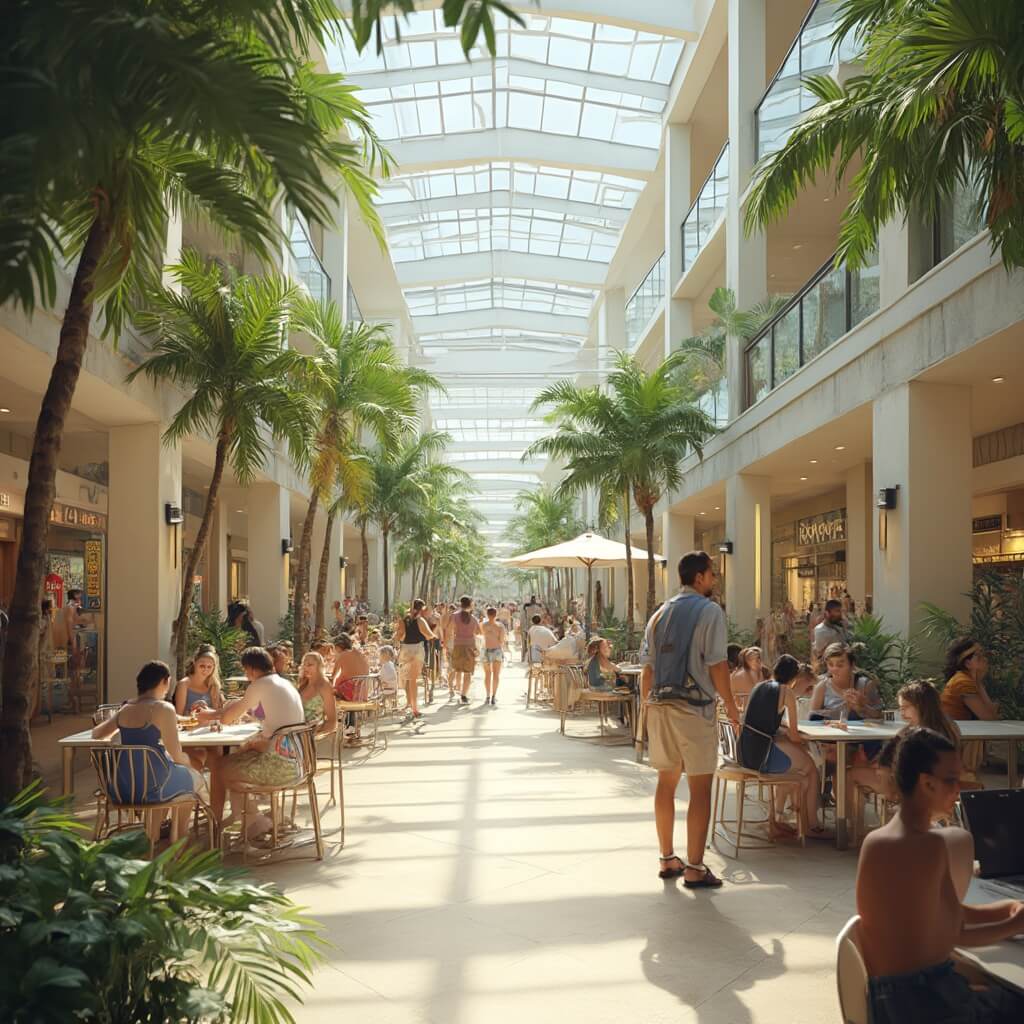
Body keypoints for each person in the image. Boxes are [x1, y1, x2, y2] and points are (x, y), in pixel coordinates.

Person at [856, 727, 1024, 1024]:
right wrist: (1013, 924)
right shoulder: (928, 844)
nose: (958, 788)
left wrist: (1006, 910)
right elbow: (953, 936)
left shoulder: (878, 839)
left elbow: (949, 913)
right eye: (951, 780)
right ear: (926, 783)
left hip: (888, 999)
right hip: (921, 1003)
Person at [641, 550, 740, 887]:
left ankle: (668, 858)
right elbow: (717, 664)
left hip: (660, 706)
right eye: (712, 574)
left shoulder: (660, 613)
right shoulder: (710, 611)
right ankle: (695, 867)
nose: (713, 580)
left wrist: (647, 709)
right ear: (699, 577)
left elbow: (648, 668)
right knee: (700, 787)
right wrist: (732, 707)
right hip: (694, 708)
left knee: (665, 783)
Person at [91, 660, 206, 844]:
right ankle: (179, 840)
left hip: (125, 788)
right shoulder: (163, 708)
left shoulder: (126, 708)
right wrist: (192, 766)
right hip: (154, 786)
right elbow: (177, 755)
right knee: (190, 780)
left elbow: (97, 734)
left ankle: (151, 838)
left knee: (164, 776)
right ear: (165, 681)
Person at [196, 647, 305, 836]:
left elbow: (227, 719)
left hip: (280, 765)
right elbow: (257, 713)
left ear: (252, 669)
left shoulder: (260, 684)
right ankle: (249, 820)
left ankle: (250, 825)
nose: (246, 676)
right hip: (299, 761)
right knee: (233, 761)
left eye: (246, 671)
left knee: (221, 768)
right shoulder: (283, 682)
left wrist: (208, 715)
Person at [738, 654, 826, 840]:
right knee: (809, 768)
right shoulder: (787, 692)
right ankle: (811, 824)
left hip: (746, 751)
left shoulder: (759, 686)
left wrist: (784, 731)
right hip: (762, 755)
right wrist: (805, 743)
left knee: (792, 769)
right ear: (794, 677)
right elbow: (794, 735)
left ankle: (777, 819)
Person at [940, 637, 998, 778]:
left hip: (961, 737)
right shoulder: (962, 681)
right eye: (979, 655)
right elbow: (989, 716)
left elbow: (992, 715)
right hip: (955, 740)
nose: (984, 658)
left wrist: (979, 682)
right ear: (967, 663)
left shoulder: (969, 680)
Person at [394, 598, 436, 719]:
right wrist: (434, 635)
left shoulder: (404, 620)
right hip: (417, 650)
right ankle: (415, 709)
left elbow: (400, 636)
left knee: (407, 678)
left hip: (405, 650)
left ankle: (409, 703)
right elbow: (429, 635)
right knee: (413, 680)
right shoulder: (420, 620)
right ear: (421, 608)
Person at [447, 595, 482, 704]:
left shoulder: (454, 616)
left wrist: (448, 644)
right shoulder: (474, 619)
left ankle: (452, 688)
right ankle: (464, 695)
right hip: (470, 646)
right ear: (470, 605)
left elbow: (449, 630)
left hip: (457, 645)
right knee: (467, 672)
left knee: (454, 668)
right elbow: (479, 632)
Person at [296, 651, 338, 738]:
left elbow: (332, 722)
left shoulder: (325, 686)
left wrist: (314, 734)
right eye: (304, 664)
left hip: (308, 733)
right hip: (295, 729)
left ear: (319, 666)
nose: (306, 668)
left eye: (310, 665)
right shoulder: (303, 684)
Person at [332, 633, 370, 701]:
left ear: (338, 647)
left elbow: (333, 676)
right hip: (363, 693)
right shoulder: (359, 654)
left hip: (352, 694)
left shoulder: (342, 655)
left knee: (331, 691)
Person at [480, 606, 506, 705]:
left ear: (487, 614)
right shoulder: (500, 626)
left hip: (486, 650)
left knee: (487, 674)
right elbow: (501, 640)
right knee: (496, 674)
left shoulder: (483, 625)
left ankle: (487, 695)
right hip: (497, 650)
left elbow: (481, 635)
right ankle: (494, 696)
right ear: (496, 615)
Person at [522, 594, 542, 660]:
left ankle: (527, 657)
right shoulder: (539, 607)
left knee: (528, 643)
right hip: (537, 626)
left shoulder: (527, 608)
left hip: (529, 627)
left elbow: (526, 618)